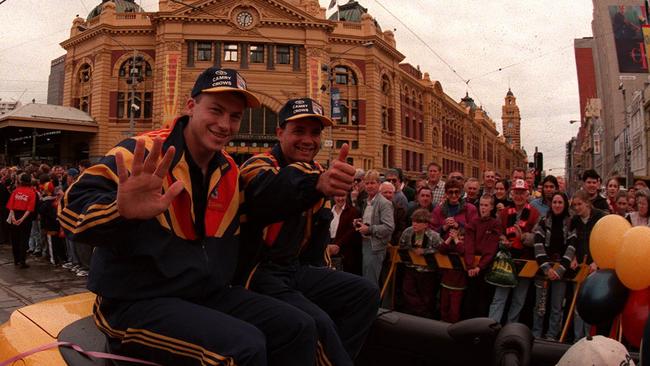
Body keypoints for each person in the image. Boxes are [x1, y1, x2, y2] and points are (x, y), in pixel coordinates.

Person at [59, 68, 318, 366]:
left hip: (204, 295)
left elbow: (261, 211)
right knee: (244, 346)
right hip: (135, 303)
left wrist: (313, 188)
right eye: (216, 111)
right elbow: (68, 211)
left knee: (299, 326)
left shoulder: (230, 171)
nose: (224, 124)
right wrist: (120, 211)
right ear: (191, 106)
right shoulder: (142, 151)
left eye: (234, 117)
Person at [238, 97, 380, 365]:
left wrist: (326, 274)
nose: (308, 140)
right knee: (317, 322)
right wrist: (316, 183)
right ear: (280, 133)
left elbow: (317, 242)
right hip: (258, 273)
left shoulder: (319, 172)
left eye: (315, 133)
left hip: (295, 270)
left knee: (366, 293)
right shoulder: (257, 165)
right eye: (299, 131)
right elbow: (271, 190)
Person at [489, 179, 540, 324]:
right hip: (506, 261)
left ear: (527, 194)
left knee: (519, 299)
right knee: (499, 297)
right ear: (511, 194)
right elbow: (496, 231)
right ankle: (491, 326)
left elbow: (537, 237)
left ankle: (511, 328)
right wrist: (502, 238)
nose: (519, 196)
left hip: (525, 261)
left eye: (522, 193)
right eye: (516, 193)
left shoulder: (535, 214)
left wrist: (522, 237)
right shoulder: (504, 213)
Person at [532, 192, 576, 340]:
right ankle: (536, 334)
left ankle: (552, 335)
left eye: (560, 202)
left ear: (565, 205)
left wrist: (560, 269)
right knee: (540, 306)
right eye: (555, 202)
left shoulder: (571, 223)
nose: (557, 205)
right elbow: (538, 244)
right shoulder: (543, 221)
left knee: (557, 307)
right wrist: (547, 268)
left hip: (561, 272)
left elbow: (571, 247)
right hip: (543, 270)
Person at [570, 189, 607, 340]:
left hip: (594, 267)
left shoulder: (600, 217)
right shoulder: (575, 220)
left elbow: (606, 241)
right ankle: (578, 338)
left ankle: (589, 337)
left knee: (590, 302)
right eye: (574, 205)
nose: (577, 208)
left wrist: (597, 262)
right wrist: (572, 257)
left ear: (587, 203)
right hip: (580, 265)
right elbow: (571, 240)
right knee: (577, 303)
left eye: (579, 204)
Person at [464, 194, 503, 319]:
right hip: (472, 266)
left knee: (484, 300)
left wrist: (480, 266)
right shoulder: (473, 222)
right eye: (481, 205)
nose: (483, 208)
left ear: (491, 207)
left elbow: (491, 247)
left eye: (486, 205)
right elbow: (468, 244)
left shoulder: (495, 223)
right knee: (470, 299)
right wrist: (470, 265)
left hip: (486, 267)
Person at [399, 208, 442, 318]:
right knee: (408, 290)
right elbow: (401, 246)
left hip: (428, 271)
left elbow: (442, 249)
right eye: (413, 221)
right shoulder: (407, 232)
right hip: (411, 267)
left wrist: (425, 251)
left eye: (418, 222)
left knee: (426, 295)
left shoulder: (434, 236)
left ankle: (425, 316)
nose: (415, 224)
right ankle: (416, 313)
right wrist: (411, 251)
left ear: (426, 224)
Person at [6, 173, 37, 269]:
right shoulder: (32, 192)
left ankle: (16, 260)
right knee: (24, 240)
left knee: (15, 239)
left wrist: (14, 218)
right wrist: (22, 219)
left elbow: (11, 206)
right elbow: (30, 209)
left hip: (15, 216)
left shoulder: (16, 191)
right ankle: (22, 261)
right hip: (25, 218)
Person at [438, 227, 466, 323]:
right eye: (459, 238)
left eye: (462, 239)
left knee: (454, 310)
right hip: (446, 282)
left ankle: (452, 326)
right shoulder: (451, 246)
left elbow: (462, 251)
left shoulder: (463, 247)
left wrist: (457, 240)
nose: (460, 241)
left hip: (458, 285)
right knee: (443, 306)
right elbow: (441, 249)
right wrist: (450, 238)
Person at [328, 194, 362, 275]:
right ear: (333, 197)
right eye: (337, 196)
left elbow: (351, 231)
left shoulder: (353, 211)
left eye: (342, 196)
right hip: (330, 248)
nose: (340, 198)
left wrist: (338, 245)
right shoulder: (329, 211)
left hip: (346, 252)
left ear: (346, 196)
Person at [379, 181, 407, 246]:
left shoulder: (400, 210)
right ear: (379, 194)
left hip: (391, 244)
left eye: (390, 192)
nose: (388, 195)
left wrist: (391, 242)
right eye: (385, 192)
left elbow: (401, 230)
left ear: (393, 194)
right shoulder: (373, 207)